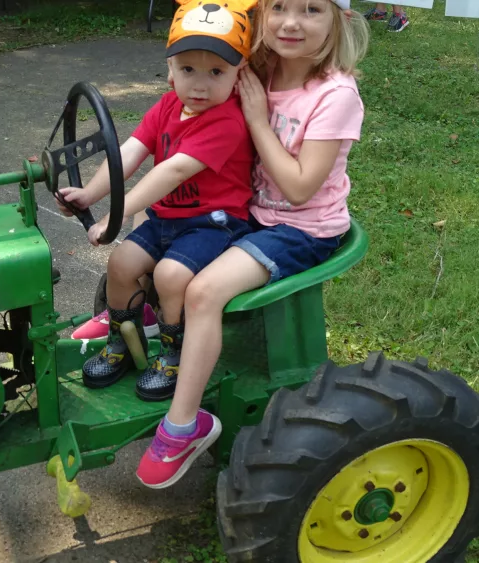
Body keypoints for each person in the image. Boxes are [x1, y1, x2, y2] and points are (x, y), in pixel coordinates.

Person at [135, 0, 370, 489]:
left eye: (311, 10)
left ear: (339, 20)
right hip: (249, 212)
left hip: (300, 227)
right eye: (279, 6)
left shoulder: (334, 94)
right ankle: (134, 323)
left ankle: (183, 426)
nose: (290, 21)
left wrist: (260, 121)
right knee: (155, 243)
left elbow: (300, 188)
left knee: (203, 292)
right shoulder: (253, 70)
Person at [57, 0, 259, 401]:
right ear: (170, 70)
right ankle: (121, 340)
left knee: (170, 275)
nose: (200, 84)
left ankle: (174, 352)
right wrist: (89, 194)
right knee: (121, 263)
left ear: (239, 75)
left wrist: (116, 213)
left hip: (213, 223)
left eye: (216, 72)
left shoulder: (228, 121)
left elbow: (173, 171)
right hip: (167, 218)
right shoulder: (168, 106)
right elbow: (129, 152)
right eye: (188, 69)